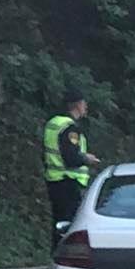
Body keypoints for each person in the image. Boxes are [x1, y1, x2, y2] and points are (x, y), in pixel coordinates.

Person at [42, 92, 100, 248]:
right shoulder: (69, 127)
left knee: (59, 225)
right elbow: (70, 157)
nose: (86, 107)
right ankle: (65, 260)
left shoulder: (53, 123)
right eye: (84, 103)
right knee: (69, 226)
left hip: (54, 180)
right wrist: (86, 159)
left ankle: (56, 258)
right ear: (77, 105)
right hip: (68, 182)